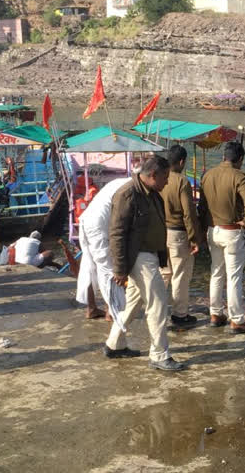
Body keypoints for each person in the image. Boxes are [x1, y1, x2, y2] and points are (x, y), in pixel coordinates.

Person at [107, 156, 185, 371]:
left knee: (133, 302)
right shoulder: (128, 194)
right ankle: (159, 354)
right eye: (165, 177)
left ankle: (115, 343)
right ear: (153, 175)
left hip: (148, 254)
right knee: (157, 303)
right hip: (139, 257)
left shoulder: (151, 194)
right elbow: (117, 233)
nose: (167, 182)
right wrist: (120, 269)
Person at [198, 141, 245, 333]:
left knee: (216, 272)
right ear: (239, 159)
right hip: (232, 231)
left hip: (212, 230)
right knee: (233, 278)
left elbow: (202, 206)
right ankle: (237, 319)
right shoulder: (239, 176)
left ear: (224, 156)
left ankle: (215, 314)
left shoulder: (208, 175)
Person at [75, 177, 131, 320]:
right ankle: (112, 312)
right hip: (98, 226)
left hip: (86, 220)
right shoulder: (131, 188)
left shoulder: (119, 182)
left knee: (89, 266)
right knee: (107, 268)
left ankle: (92, 308)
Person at [161, 145, 201, 327]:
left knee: (164, 274)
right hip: (178, 233)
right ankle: (179, 314)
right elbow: (188, 213)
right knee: (180, 275)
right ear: (182, 162)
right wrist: (194, 238)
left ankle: (157, 310)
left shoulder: (159, 178)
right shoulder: (181, 182)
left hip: (161, 232)